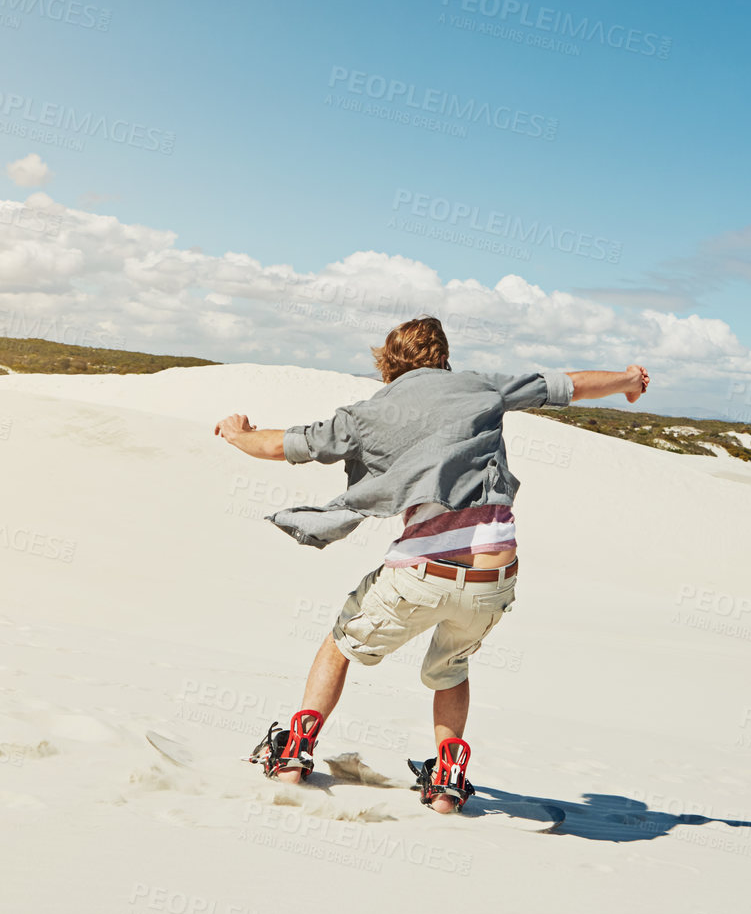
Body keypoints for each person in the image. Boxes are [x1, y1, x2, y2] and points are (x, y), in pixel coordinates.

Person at [213, 316, 649, 812]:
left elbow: (281, 444)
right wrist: (629, 380)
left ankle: (293, 754)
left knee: (339, 644)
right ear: (443, 358)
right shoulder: (479, 387)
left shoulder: (365, 414)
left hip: (421, 570)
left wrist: (236, 432)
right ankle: (445, 782)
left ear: (388, 366)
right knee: (452, 666)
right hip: (494, 574)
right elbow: (566, 385)